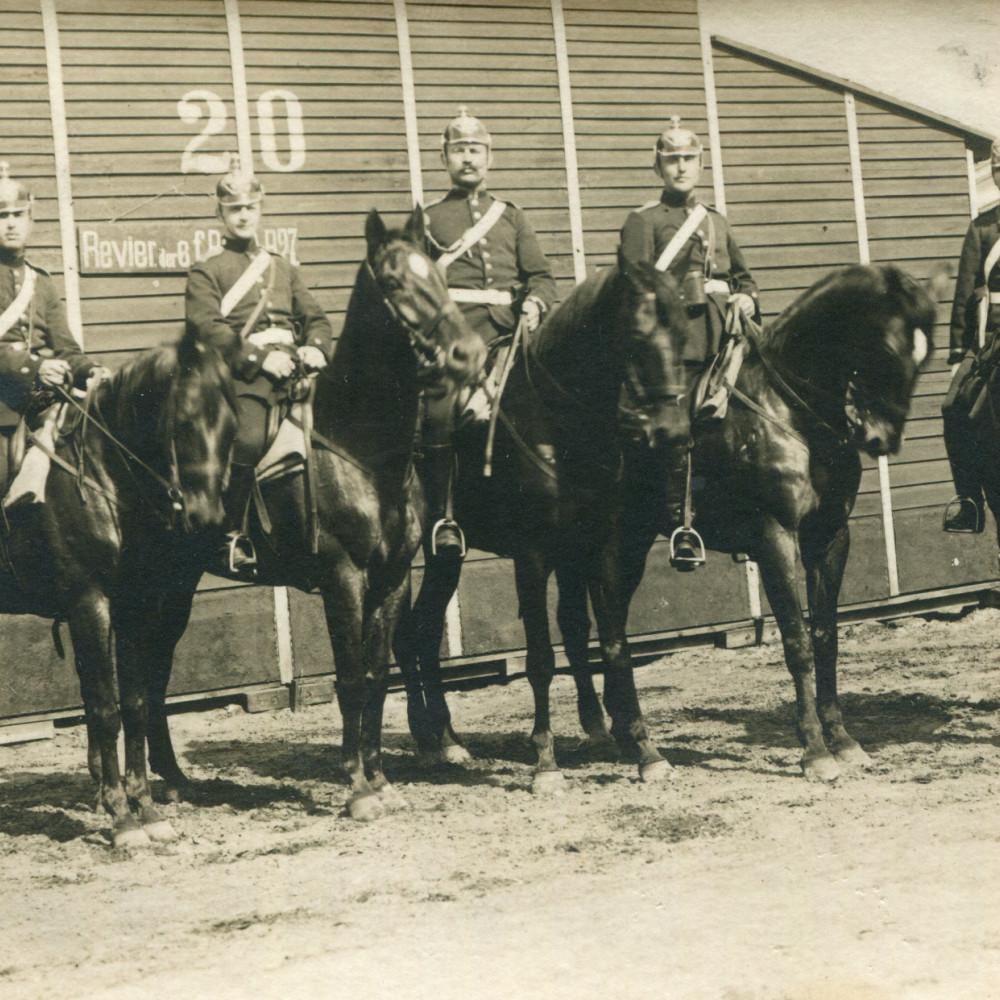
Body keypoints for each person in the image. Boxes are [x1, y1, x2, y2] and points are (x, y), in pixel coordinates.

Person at [619, 117, 761, 570]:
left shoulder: (715, 219)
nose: (681, 168)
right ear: (658, 166)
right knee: (681, 429)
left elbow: (743, 275)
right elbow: (635, 291)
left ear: (700, 165)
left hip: (727, 341)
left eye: (688, 159)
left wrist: (746, 296)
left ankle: (750, 515)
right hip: (678, 350)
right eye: (672, 160)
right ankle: (684, 525)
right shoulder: (643, 221)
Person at [185, 156, 333, 575]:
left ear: (260, 210)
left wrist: (316, 348)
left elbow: (316, 319)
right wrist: (262, 359)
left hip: (297, 373)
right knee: (247, 439)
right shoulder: (207, 270)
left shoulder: (280, 266)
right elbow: (207, 328)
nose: (243, 216)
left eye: (250, 207)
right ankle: (231, 535)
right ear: (220, 214)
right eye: (234, 209)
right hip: (244, 380)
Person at [422, 107, 556, 558]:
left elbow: (539, 275)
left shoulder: (511, 217)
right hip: (458, 342)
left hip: (512, 339)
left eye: (475, 151)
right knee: (441, 411)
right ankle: (445, 517)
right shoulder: (428, 219)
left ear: (489, 158)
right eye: (458, 151)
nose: (468, 159)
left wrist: (536, 302)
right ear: (444, 158)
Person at [0, 162, 107, 493]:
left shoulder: (41, 282)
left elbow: (66, 347)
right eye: (2, 216)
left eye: (19, 215)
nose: (11, 224)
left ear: (31, 220)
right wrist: (36, 367)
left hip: (39, 401)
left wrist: (90, 371)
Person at [941, 137, 1000, 533]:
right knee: (951, 408)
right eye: (999, 170)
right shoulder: (983, 228)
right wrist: (958, 354)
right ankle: (969, 503)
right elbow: (965, 292)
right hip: (990, 338)